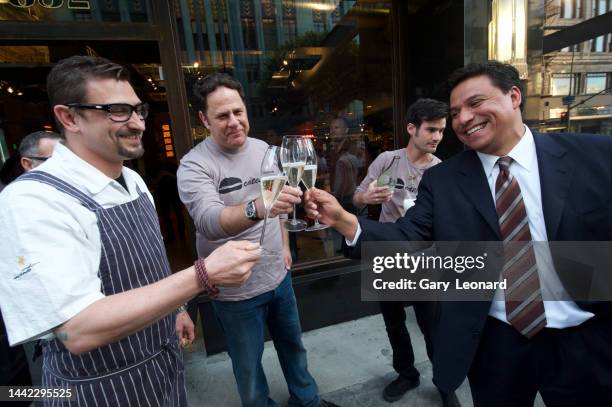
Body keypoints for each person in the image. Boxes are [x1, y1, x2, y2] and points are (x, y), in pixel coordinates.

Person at [305, 61, 612, 407]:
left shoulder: (594, 156)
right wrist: (346, 221)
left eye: (475, 103)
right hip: (496, 344)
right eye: (455, 112)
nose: (463, 118)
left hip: (583, 339)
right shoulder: (444, 180)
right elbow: (408, 237)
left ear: (514, 97)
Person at [0, 55, 260, 406]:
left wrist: (176, 309)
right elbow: (75, 329)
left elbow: (147, 264)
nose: (137, 123)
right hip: (97, 390)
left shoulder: (133, 180)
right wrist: (202, 275)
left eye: (138, 110)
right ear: (69, 117)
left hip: (162, 370)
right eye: (118, 110)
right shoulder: (32, 199)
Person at [177, 73, 338, 407]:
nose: (234, 121)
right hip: (235, 291)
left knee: (294, 347)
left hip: (277, 276)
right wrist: (258, 206)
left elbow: (278, 205)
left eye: (239, 111)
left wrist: (281, 244)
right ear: (204, 119)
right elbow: (209, 223)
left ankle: (307, 401)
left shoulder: (265, 150)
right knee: (248, 368)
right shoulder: (194, 166)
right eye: (222, 115)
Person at [352, 98, 459, 406]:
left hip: (424, 257)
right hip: (386, 255)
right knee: (394, 321)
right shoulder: (388, 160)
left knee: (431, 325)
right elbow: (357, 198)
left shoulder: (441, 171)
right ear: (412, 128)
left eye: (441, 130)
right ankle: (407, 373)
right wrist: (367, 197)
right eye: (431, 129)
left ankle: (444, 382)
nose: (437, 137)